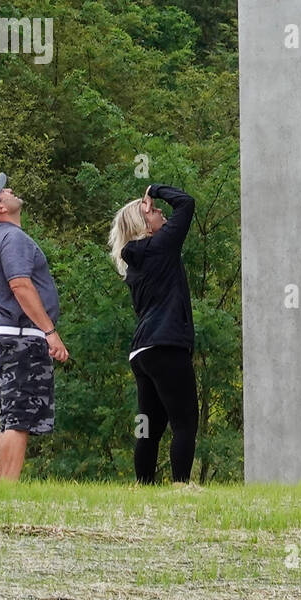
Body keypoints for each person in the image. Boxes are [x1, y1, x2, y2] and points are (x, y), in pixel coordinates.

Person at [0, 172, 69, 481]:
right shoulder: (12, 238)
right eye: (3, 192)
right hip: (22, 338)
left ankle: (0, 491)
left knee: (9, 418)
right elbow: (21, 286)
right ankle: (6, 493)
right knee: (19, 420)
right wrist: (50, 332)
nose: (9, 191)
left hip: (7, 336)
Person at [108, 183, 198, 485]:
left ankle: (143, 485)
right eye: (155, 212)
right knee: (185, 421)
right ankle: (181, 485)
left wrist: (149, 207)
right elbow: (186, 204)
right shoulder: (162, 246)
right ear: (145, 223)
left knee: (150, 426)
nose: (161, 212)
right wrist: (154, 190)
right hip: (167, 344)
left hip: (142, 351)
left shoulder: (133, 264)